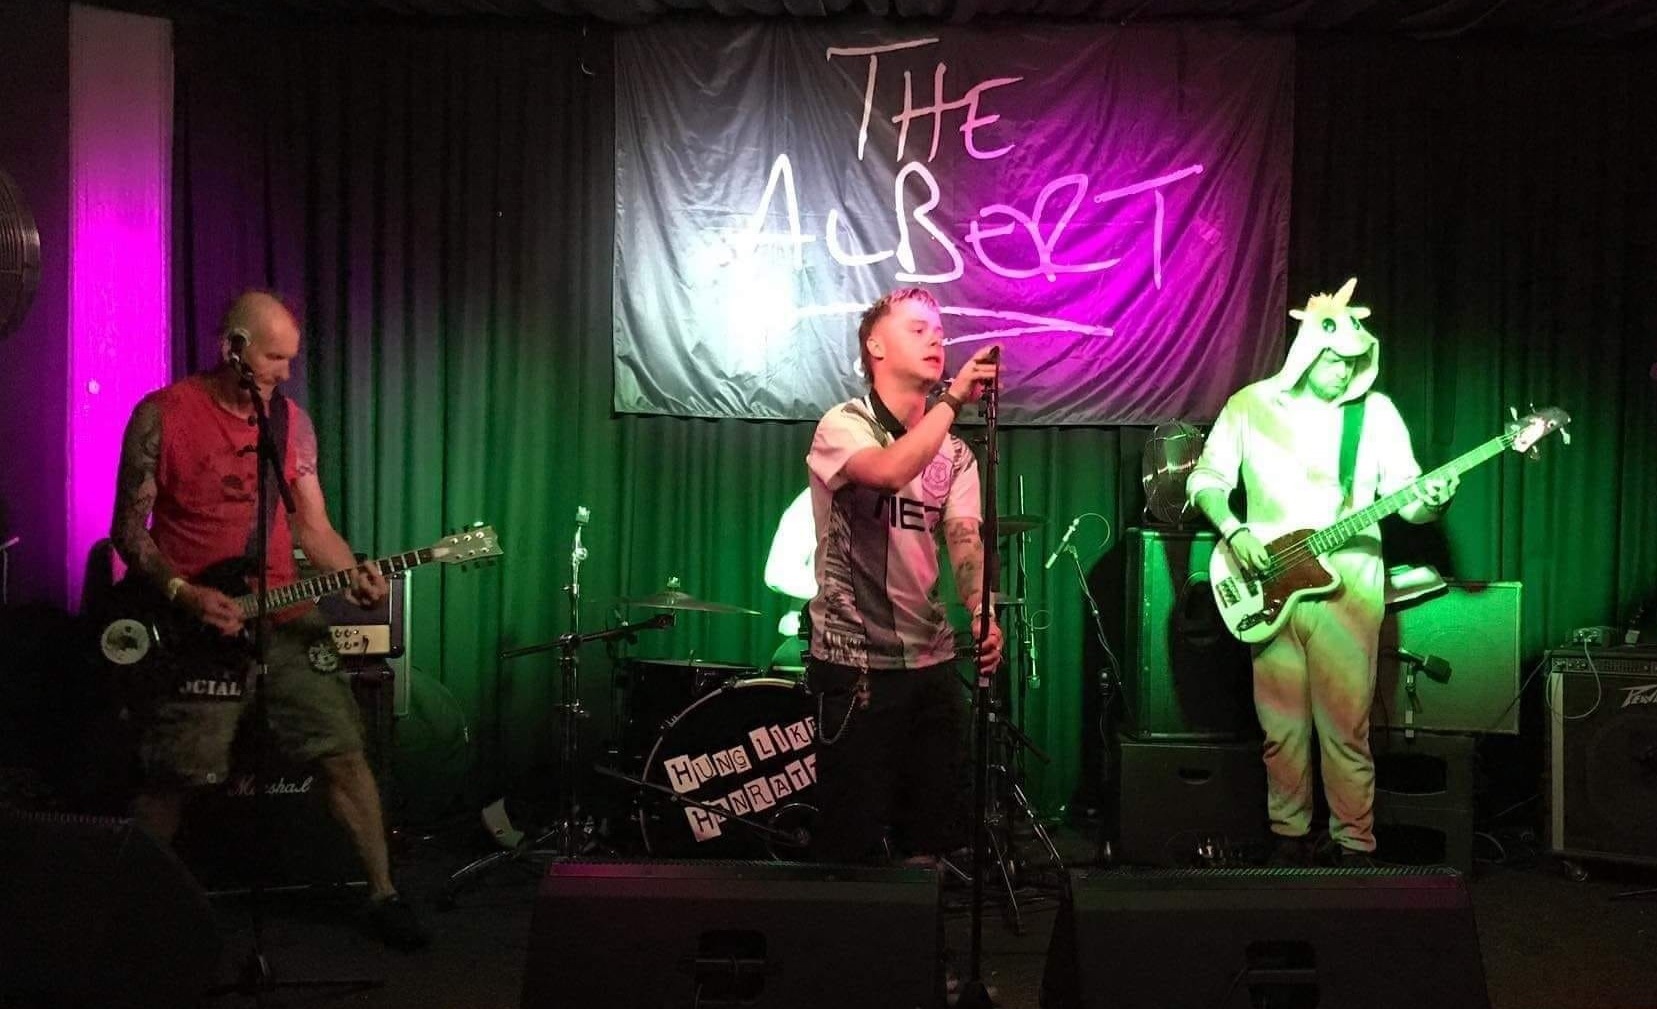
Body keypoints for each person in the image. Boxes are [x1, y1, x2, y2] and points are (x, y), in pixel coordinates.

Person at [110, 290, 428, 948]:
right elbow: (129, 531)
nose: (286, 372)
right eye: (275, 357)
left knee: (343, 750)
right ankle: (126, 909)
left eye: (291, 359)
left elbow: (313, 526)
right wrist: (184, 593)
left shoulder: (290, 422)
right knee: (174, 775)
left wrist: (354, 573)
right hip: (199, 624)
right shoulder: (163, 415)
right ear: (234, 347)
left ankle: (384, 892)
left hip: (285, 615)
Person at [1186, 278, 1457, 867]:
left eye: (1356, 360)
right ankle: (1289, 838)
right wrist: (1234, 531)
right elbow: (1205, 479)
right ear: (1308, 352)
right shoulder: (1250, 406)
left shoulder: (1375, 414)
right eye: (1336, 359)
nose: (1347, 371)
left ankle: (1354, 844)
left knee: (1346, 728)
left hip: (1349, 591)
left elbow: (1408, 498)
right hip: (1267, 582)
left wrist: (1433, 501)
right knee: (1280, 727)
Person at [804, 286, 1003, 864]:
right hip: (855, 667)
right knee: (853, 843)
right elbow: (889, 471)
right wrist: (955, 400)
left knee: (930, 839)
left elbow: (965, 542)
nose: (936, 339)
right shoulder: (844, 425)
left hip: (930, 662)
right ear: (875, 346)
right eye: (917, 329)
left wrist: (982, 611)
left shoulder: (956, 455)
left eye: (939, 331)